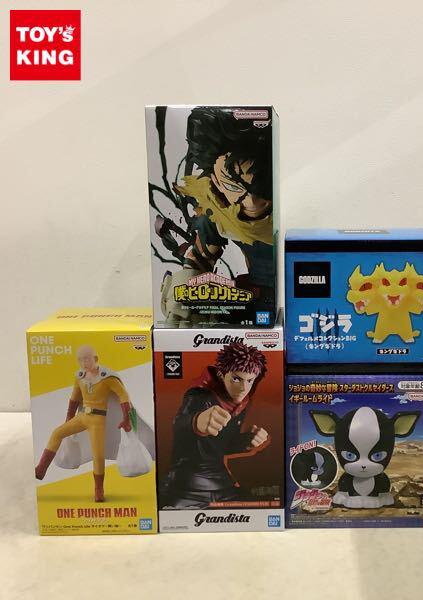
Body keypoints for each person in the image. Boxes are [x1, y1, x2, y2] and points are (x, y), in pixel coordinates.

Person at [155, 107, 274, 326]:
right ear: (216, 179)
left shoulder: (278, 211)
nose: (251, 201)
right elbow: (197, 262)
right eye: (232, 185)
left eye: (258, 186)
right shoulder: (217, 213)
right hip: (254, 304)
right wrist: (181, 303)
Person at [161, 342, 270, 508]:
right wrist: (196, 422)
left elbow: (220, 446)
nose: (243, 388)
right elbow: (179, 424)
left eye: (250, 380)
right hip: (186, 486)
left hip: (222, 484)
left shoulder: (241, 402)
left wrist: (247, 441)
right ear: (221, 374)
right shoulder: (199, 395)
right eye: (236, 379)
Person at [34, 345, 132, 502]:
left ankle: (98, 489)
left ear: (95, 359)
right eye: (80, 359)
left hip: (97, 420)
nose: (83, 363)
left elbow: (123, 395)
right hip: (82, 417)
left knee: (98, 455)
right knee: (57, 433)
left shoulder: (107, 378)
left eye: (87, 359)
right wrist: (69, 418)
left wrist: (126, 417)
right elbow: (74, 399)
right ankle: (41, 469)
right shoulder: (80, 377)